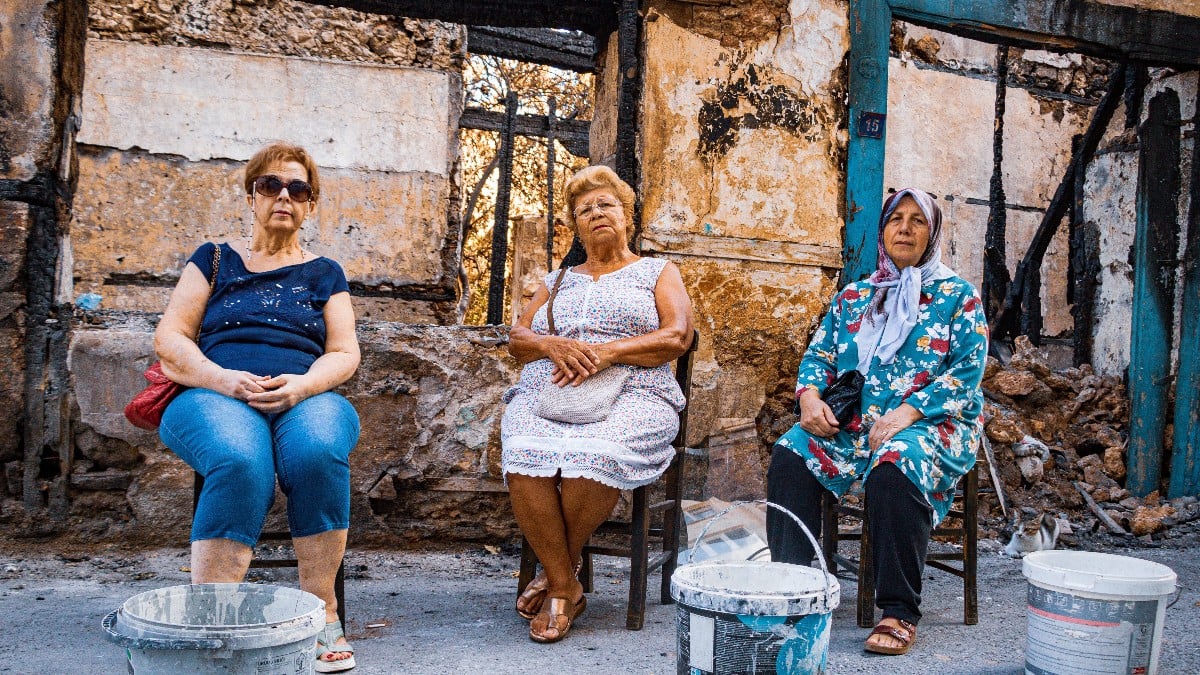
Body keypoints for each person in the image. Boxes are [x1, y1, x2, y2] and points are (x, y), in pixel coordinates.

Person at [154, 142, 361, 672]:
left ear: (310, 204)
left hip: (304, 394)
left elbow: (343, 352)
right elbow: (172, 338)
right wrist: (223, 379)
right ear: (252, 196)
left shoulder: (325, 273)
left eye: (298, 189)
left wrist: (303, 386)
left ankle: (322, 613)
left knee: (317, 451)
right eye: (271, 185)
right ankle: (213, 619)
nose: (284, 196)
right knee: (243, 460)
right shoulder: (214, 259)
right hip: (213, 393)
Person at [767, 188, 986, 656]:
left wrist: (907, 412)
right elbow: (819, 355)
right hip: (855, 426)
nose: (904, 228)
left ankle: (898, 610)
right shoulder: (856, 295)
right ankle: (789, 588)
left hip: (932, 422)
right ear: (883, 231)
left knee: (895, 462)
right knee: (790, 452)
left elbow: (967, 373)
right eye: (895, 220)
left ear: (933, 233)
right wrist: (808, 398)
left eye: (917, 221)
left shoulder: (957, 297)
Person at [501, 165, 695, 643]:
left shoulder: (656, 271)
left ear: (626, 216)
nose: (596, 213)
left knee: (596, 455)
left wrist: (607, 353)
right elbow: (519, 338)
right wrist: (552, 346)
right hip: (554, 386)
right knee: (523, 448)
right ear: (576, 226)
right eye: (585, 209)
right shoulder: (558, 279)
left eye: (606, 204)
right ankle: (566, 580)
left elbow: (677, 335)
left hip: (636, 387)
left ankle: (557, 577)